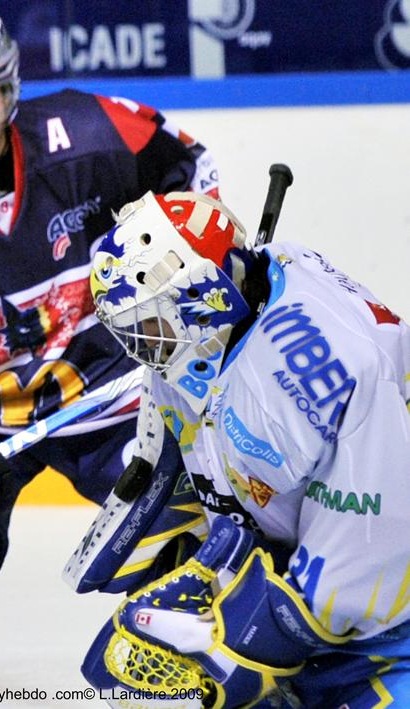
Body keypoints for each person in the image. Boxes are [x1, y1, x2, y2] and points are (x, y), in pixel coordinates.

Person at [0, 8, 218, 705]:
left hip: (101, 381)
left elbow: (191, 171)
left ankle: (239, 676)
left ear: (11, 91)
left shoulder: (87, 132)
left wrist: (176, 283)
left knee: (189, 530)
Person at [83, 189, 410, 708]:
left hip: (392, 633)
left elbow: (374, 537)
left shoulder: (329, 379)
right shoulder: (226, 316)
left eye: (149, 326)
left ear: (204, 293)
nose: (141, 346)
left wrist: (242, 644)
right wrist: (181, 529)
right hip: (330, 609)